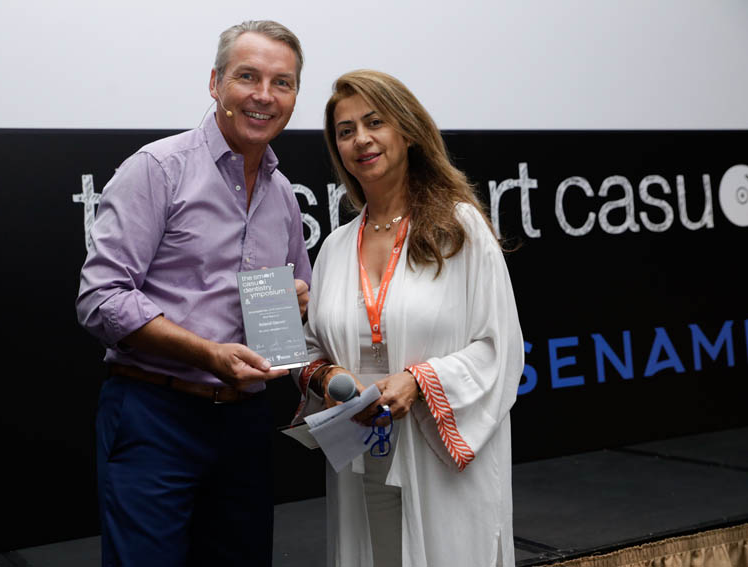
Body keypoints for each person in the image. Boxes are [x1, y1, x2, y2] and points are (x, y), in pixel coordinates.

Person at [76, 20, 312, 567]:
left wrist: (296, 303)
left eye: (282, 82)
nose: (264, 95)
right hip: (155, 415)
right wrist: (207, 354)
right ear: (215, 83)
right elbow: (100, 298)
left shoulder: (282, 194)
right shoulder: (158, 169)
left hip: (245, 426)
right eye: (247, 76)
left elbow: (296, 300)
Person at [294, 70, 524, 567]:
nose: (361, 139)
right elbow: (312, 351)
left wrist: (419, 382)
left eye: (375, 122)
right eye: (346, 130)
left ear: (409, 132)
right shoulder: (334, 247)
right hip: (359, 458)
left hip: (437, 459)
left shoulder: (458, 229)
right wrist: (331, 379)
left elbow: (498, 348)